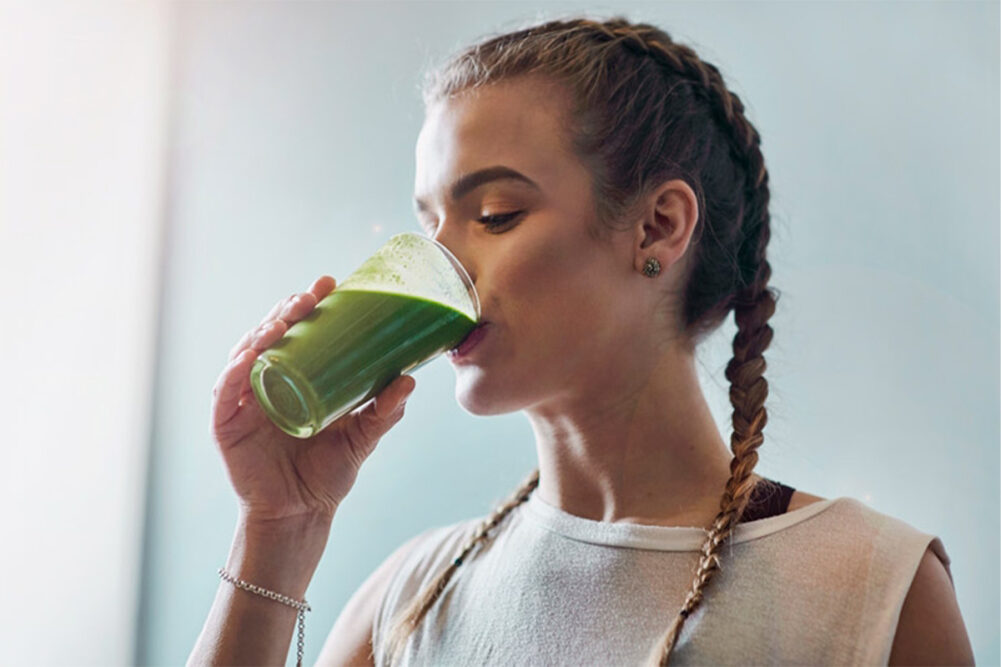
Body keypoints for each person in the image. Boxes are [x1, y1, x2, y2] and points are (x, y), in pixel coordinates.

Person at [189, 15, 974, 667]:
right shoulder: (410, 599)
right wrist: (277, 529)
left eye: (494, 214)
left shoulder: (868, 587)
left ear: (656, 226)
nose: (441, 264)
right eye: (429, 223)